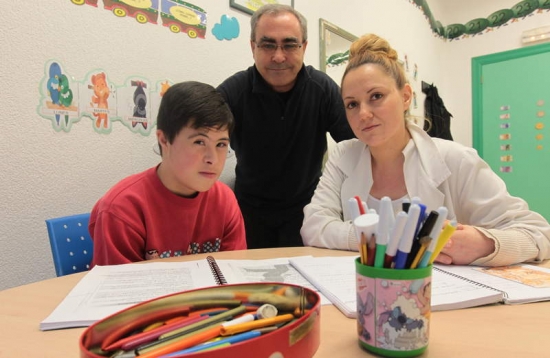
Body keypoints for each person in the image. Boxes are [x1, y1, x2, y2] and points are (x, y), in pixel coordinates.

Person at [301, 34, 550, 266]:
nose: (363, 114)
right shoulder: (344, 155)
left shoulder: (455, 160)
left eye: (376, 96)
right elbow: (314, 226)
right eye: (352, 104)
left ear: (406, 96)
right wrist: (379, 237)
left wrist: (484, 243)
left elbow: (537, 233)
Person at [217, 4, 354, 249]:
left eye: (290, 45)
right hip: (249, 211)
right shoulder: (233, 92)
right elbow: (201, 140)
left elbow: (356, 147)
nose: (278, 56)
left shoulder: (322, 89)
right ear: (252, 47)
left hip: (308, 210)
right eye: (268, 45)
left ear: (304, 47)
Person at [89, 81, 247, 266]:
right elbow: (120, 291)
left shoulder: (224, 200)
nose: (212, 159)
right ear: (164, 140)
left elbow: (234, 276)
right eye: (199, 142)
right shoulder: (122, 209)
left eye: (221, 144)